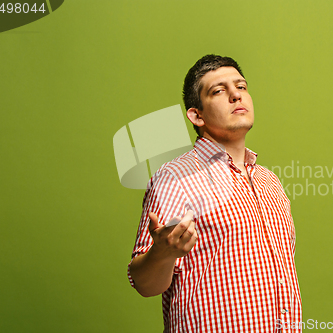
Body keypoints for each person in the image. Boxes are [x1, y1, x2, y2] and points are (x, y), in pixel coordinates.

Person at [128, 54, 302, 332]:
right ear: (197, 116)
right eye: (219, 90)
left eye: (241, 87)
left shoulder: (270, 182)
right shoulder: (176, 177)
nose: (236, 95)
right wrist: (162, 253)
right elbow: (144, 284)